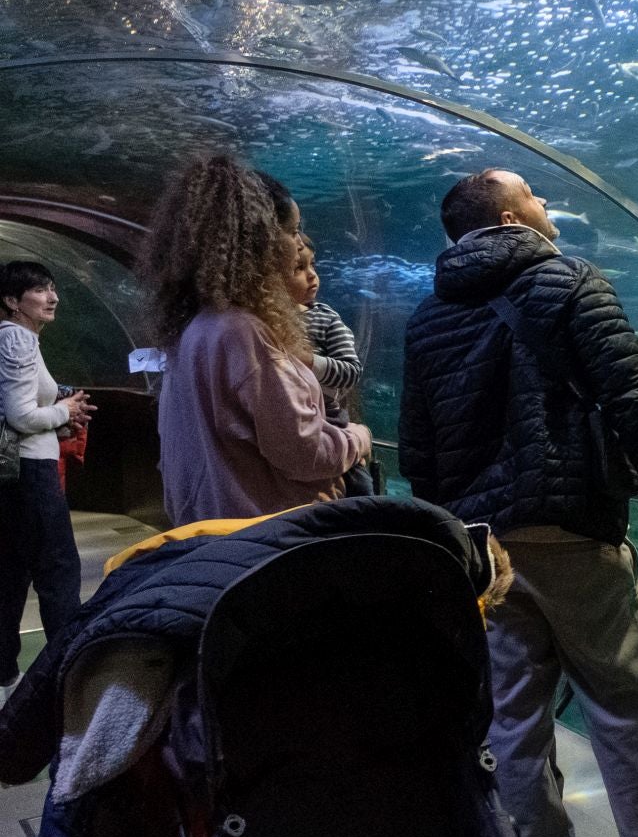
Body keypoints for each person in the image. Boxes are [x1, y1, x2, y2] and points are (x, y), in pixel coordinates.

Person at [399, 169, 638, 837]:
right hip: (573, 532)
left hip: (485, 550)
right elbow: (633, 394)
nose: (550, 206)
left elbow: (419, 448)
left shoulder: (428, 316)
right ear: (514, 215)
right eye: (539, 197)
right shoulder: (570, 281)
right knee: (621, 711)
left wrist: (450, 543)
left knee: (515, 726)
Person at [144, 155, 371, 525]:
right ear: (262, 239)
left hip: (218, 532)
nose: (299, 245)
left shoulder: (195, 329)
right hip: (270, 537)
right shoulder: (243, 332)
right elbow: (304, 452)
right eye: (292, 230)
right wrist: (358, 437)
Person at [0, 261, 92, 700]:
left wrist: (58, 424)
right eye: (40, 290)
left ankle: (6, 676)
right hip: (32, 475)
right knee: (59, 574)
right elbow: (20, 415)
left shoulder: (13, 338)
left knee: (11, 573)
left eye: (53, 287)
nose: (52, 296)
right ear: (13, 302)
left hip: (16, 473)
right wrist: (65, 412)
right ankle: (68, 674)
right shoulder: (17, 338)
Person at [289, 234, 374, 498]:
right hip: (297, 425)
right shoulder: (259, 324)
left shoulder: (325, 318)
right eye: (299, 268)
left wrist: (310, 361)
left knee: (359, 488)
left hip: (332, 422)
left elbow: (351, 370)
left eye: (313, 265)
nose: (312, 276)